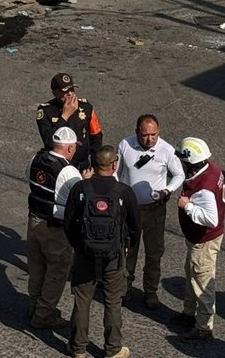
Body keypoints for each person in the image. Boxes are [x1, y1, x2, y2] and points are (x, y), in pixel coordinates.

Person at [63, 144, 140, 358]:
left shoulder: (80, 188)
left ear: (94, 164)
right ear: (114, 165)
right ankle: (113, 349)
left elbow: (68, 224)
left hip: (84, 253)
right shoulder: (124, 192)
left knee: (82, 300)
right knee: (113, 301)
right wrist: (126, 247)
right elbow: (135, 227)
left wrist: (79, 246)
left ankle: (78, 348)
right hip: (114, 256)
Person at [116, 113, 185, 309]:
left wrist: (167, 190)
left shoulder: (166, 150)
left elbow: (179, 174)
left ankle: (150, 291)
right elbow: (116, 171)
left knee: (154, 253)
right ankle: (125, 288)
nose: (150, 139)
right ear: (137, 132)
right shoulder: (125, 145)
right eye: (145, 135)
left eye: (154, 134)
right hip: (130, 210)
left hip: (155, 210)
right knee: (128, 250)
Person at [26, 126, 89, 329]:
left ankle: (34, 304)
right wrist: (85, 181)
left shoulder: (35, 159)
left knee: (37, 267)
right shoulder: (69, 171)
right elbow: (80, 199)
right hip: (55, 228)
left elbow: (29, 179)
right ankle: (43, 315)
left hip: (33, 221)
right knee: (57, 271)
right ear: (69, 148)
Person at [171, 136, 225, 342]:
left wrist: (187, 206)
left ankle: (204, 327)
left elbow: (210, 219)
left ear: (189, 162)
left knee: (202, 282)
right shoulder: (211, 169)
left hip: (203, 241)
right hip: (198, 239)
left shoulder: (204, 187)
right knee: (191, 273)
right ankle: (188, 313)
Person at [37, 72, 103, 171]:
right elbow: (49, 142)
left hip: (83, 166)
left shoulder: (86, 107)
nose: (70, 93)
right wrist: (65, 116)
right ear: (54, 93)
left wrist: (95, 166)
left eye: (71, 89)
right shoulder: (46, 111)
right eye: (65, 91)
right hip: (58, 167)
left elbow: (96, 136)